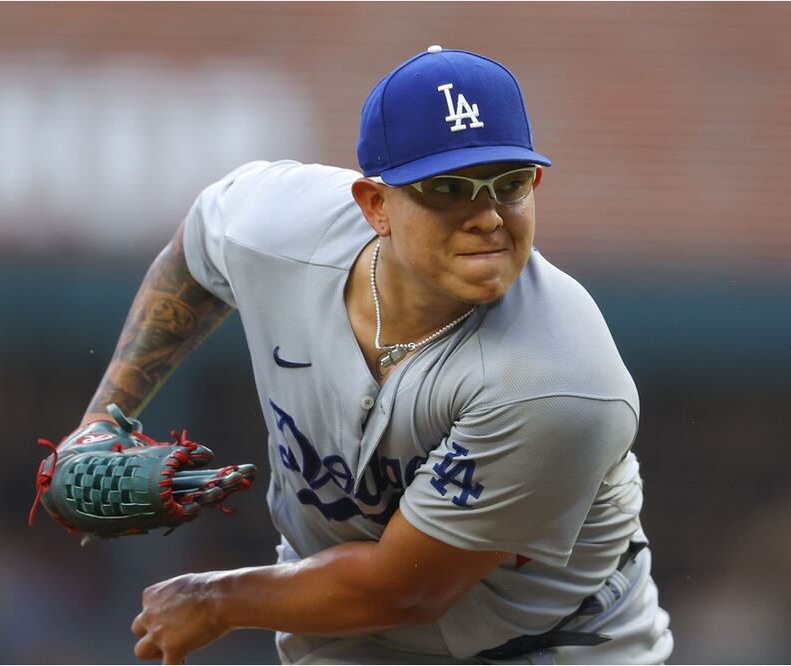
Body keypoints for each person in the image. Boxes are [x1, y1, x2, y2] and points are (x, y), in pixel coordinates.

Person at [90, 45, 672, 664]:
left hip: (560, 644)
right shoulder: (277, 226)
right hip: (355, 631)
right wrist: (102, 419)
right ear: (374, 205)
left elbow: (405, 591)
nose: (488, 217)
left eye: (508, 185)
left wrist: (213, 598)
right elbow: (198, 252)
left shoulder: (558, 379)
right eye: (447, 188)